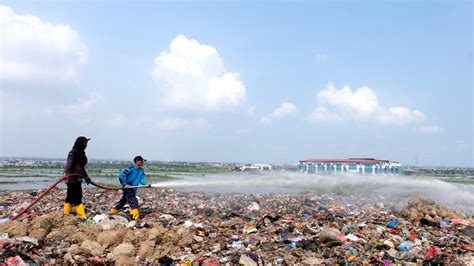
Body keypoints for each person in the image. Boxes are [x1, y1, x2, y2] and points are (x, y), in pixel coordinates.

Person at [111, 156, 148, 220]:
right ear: (137, 161)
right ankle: (136, 218)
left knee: (123, 201)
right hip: (128, 188)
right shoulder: (130, 168)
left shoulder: (141, 170)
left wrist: (146, 184)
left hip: (133, 189)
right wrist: (125, 184)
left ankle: (113, 211)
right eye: (142, 161)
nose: (143, 163)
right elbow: (121, 176)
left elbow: (142, 179)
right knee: (133, 202)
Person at [63, 136, 92, 219]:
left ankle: (66, 214)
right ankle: (82, 216)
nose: (86, 145)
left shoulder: (81, 153)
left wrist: (86, 177)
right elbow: (69, 162)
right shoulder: (73, 152)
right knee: (77, 198)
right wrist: (65, 173)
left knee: (70, 196)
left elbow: (81, 167)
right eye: (85, 143)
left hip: (78, 179)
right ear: (81, 143)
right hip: (72, 179)